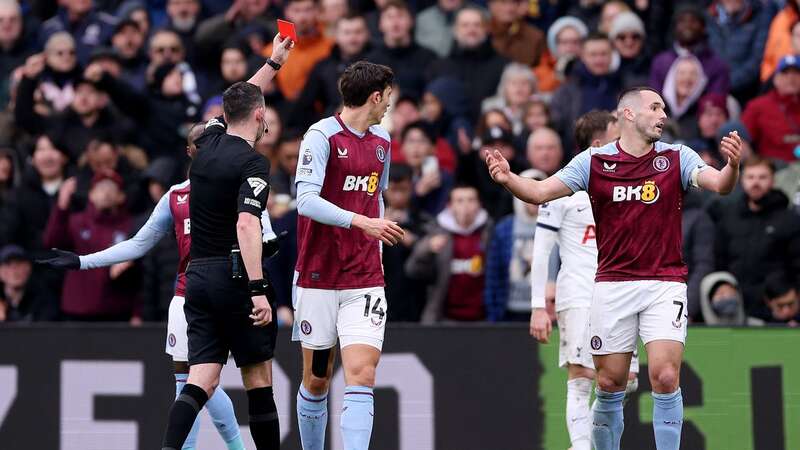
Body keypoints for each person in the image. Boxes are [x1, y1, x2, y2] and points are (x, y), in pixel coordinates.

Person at [485, 86, 743, 450]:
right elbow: (540, 192)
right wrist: (507, 179)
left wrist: (731, 166)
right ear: (629, 114)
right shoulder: (593, 162)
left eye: (664, 108)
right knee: (609, 383)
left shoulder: (676, 157)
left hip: (664, 282)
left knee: (665, 376)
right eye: (655, 107)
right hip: (611, 285)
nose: (663, 115)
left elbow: (719, 185)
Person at [38, 124, 285, 450]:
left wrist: (267, 246)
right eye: (201, 142)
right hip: (195, 296)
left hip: (212, 290)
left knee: (201, 383)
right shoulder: (178, 195)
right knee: (203, 382)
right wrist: (84, 261)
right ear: (190, 152)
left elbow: (260, 231)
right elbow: (139, 243)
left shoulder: (237, 182)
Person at [157, 32, 292, 450]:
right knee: (258, 378)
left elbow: (243, 97)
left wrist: (273, 63)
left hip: (197, 277)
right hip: (235, 278)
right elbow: (248, 225)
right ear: (259, 116)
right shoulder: (254, 161)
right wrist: (257, 290)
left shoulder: (208, 141)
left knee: (202, 377)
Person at [291, 60, 402, 450]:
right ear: (375, 96)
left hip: (365, 278)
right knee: (317, 379)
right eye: (388, 96)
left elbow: (377, 198)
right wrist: (363, 223)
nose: (390, 103)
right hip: (318, 276)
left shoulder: (382, 141)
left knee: (362, 373)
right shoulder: (321, 136)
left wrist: (376, 233)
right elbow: (304, 201)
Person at [529, 110, 638, 450]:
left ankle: (593, 441)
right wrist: (537, 306)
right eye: (617, 136)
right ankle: (581, 447)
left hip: (619, 295)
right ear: (597, 144)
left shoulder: (626, 187)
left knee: (627, 380)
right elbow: (542, 251)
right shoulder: (562, 188)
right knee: (581, 376)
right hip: (578, 294)